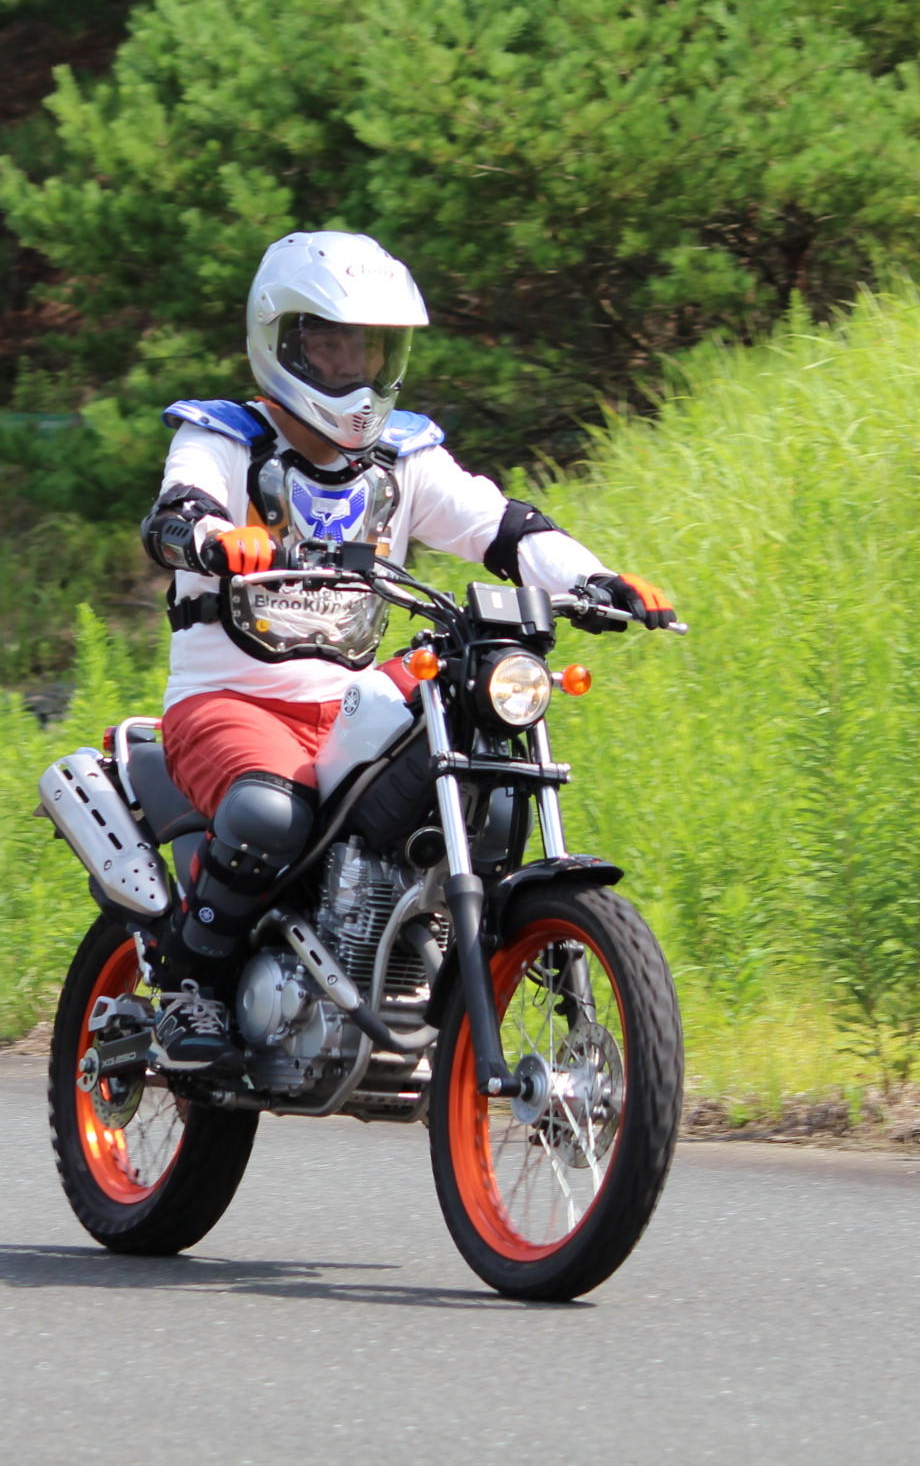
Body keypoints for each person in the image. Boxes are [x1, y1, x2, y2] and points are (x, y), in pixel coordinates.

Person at [136, 231, 676, 1067]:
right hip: (233, 699)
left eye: (372, 348)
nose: (355, 366)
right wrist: (212, 536)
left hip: (349, 693)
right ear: (283, 341)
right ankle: (191, 986)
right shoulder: (225, 437)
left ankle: (425, 941)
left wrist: (596, 579)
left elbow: (498, 525)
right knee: (269, 815)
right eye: (331, 343)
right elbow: (178, 507)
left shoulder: (404, 455)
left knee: (470, 728)